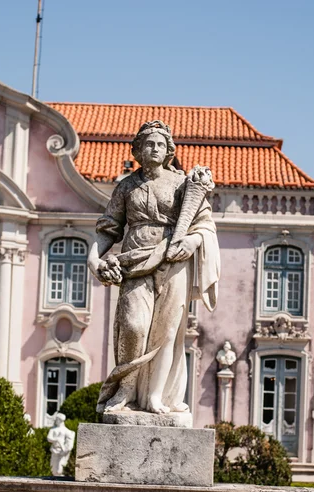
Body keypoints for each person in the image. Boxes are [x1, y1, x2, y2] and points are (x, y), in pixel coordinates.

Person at [88, 120, 220, 415]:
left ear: (169, 150)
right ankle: (124, 390)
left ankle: (155, 397)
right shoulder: (126, 187)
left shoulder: (181, 184)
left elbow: (204, 223)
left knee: (167, 332)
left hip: (173, 262)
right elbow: (109, 227)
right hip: (135, 262)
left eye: (161, 144)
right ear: (137, 149)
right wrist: (93, 257)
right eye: (149, 143)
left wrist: (193, 240)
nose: (155, 148)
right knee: (133, 326)